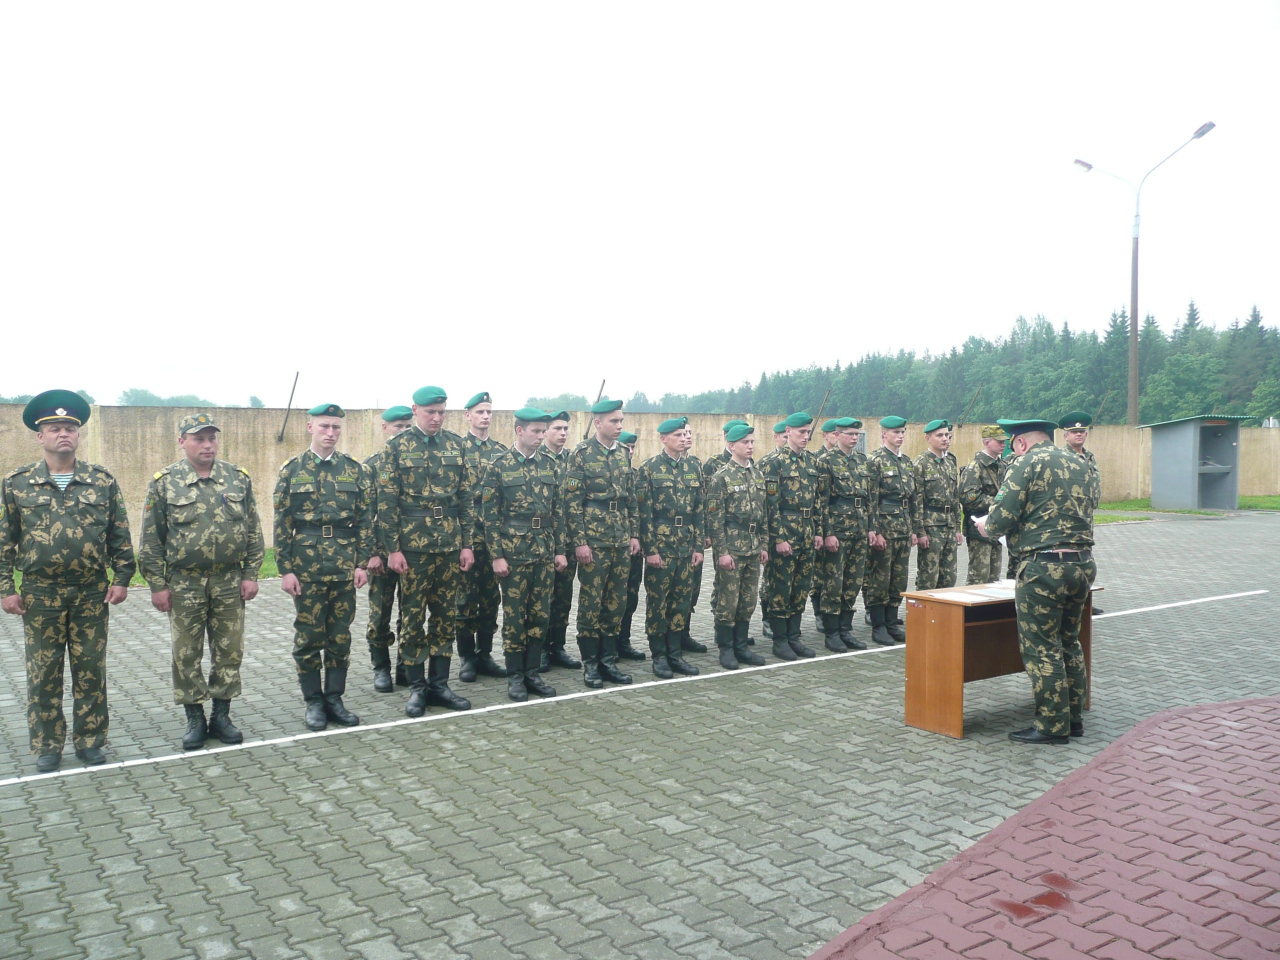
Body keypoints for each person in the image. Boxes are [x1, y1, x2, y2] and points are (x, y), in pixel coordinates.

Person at [1, 391, 135, 772]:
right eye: (55, 428)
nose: (63, 434)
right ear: (39, 436)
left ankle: (90, 740)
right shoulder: (17, 484)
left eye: (70, 428)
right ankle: (47, 744)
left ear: (78, 435)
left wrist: (122, 577)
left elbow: (119, 533)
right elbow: (4, 540)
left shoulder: (101, 481)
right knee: (43, 673)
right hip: (40, 594)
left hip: (91, 592)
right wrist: (6, 589)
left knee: (90, 669)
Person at [141, 413, 264, 749]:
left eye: (212, 438)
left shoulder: (237, 478)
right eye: (199, 439)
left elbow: (253, 530)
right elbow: (151, 539)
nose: (207, 445)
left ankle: (222, 715)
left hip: (229, 580)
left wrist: (251, 574)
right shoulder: (165, 482)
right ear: (182, 442)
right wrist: (157, 585)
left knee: (230, 650)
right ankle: (195, 717)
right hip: (184, 583)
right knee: (186, 653)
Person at [979, 418, 1100, 745]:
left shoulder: (1025, 463)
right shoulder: (1080, 462)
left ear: (1020, 442)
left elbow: (1000, 519)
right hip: (1082, 564)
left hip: (1043, 568)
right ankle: (1074, 719)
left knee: (1042, 647)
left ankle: (1051, 725)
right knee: (1069, 641)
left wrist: (985, 526)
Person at [376, 386, 477, 716]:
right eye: (430, 412)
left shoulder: (457, 445)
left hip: (448, 546)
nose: (436, 418)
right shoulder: (396, 447)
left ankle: (439, 685)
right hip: (413, 549)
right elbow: (387, 503)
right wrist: (393, 549)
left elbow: (466, 499)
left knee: (445, 617)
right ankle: (417, 688)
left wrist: (466, 544)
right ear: (415, 410)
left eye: (441, 412)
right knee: (413, 618)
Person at [274, 403, 374, 731]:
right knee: (308, 636)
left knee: (340, 635)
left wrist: (361, 563)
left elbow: (364, 520)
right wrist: (286, 569)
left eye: (336, 427)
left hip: (344, 564)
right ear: (310, 428)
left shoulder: (354, 470)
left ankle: (334, 698)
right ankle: (313, 701)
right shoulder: (292, 470)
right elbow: (282, 522)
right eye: (324, 426)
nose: (331, 433)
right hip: (307, 566)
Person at [482, 409, 566, 701]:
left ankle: (532, 674)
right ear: (519, 431)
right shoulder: (498, 466)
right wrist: (497, 555)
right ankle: (515, 676)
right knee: (515, 617)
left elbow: (558, 512)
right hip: (514, 553)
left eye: (543, 431)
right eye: (536, 431)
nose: (541, 437)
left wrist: (559, 550)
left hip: (543, 552)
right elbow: (490, 516)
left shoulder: (550, 465)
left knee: (540, 616)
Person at [563, 398, 642, 688]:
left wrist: (634, 534)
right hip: (594, 540)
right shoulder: (581, 454)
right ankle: (590, 664)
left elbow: (630, 498)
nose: (619, 426)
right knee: (591, 602)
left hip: (620, 539)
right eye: (614, 421)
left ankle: (608, 661)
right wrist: (580, 542)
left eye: (621, 421)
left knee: (616, 602)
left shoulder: (622, 453)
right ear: (598, 423)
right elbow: (572, 503)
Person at [636, 417, 705, 678]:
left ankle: (675, 654)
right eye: (677, 435)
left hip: (686, 545)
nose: (683, 438)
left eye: (684, 434)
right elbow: (644, 513)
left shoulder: (693, 467)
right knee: (658, 602)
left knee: (681, 602)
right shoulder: (649, 468)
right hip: (662, 546)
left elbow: (699, 510)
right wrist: (650, 549)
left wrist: (698, 546)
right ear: (663, 439)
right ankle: (659, 656)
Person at [705, 424, 769, 669]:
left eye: (752, 441)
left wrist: (764, 545)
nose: (750, 446)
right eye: (745, 442)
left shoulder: (757, 474)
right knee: (728, 600)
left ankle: (741, 646)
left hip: (753, 547)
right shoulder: (721, 477)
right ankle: (726, 648)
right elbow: (715, 519)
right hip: (732, 547)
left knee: (748, 600)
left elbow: (763, 514)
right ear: (732, 446)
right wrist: (722, 552)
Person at [761, 412, 824, 661]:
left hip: (806, 532)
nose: (806, 436)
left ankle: (794, 636)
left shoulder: (811, 461)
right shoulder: (774, 462)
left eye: (808, 432)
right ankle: (779, 640)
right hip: (786, 531)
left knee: (801, 587)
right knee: (781, 587)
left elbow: (817, 500)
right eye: (801, 432)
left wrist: (818, 532)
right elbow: (770, 505)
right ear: (788, 432)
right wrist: (778, 538)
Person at [456, 391, 508, 684]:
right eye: (480, 412)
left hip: (493, 536)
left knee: (490, 598)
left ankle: (485, 654)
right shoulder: (456, 449)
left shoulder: (500, 451)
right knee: (465, 599)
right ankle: (466, 658)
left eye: (489, 412)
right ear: (468, 416)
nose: (485, 416)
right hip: (466, 535)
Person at [363, 406, 414, 692]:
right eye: (398, 427)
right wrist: (371, 552)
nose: (403, 432)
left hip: (414, 550)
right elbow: (365, 513)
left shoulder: (418, 463)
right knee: (380, 611)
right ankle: (381, 668)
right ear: (385, 429)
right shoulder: (372, 465)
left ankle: (406, 666)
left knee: (411, 611)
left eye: (408, 427)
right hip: (382, 554)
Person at [815, 417, 871, 652]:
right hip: (838, 529)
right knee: (833, 582)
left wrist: (871, 528)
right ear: (837, 435)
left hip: (859, 529)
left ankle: (845, 629)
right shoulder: (825, 461)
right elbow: (822, 501)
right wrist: (827, 533)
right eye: (850, 434)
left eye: (857, 434)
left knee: (853, 582)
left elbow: (869, 498)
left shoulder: (862, 460)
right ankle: (831, 633)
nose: (854, 438)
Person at [865, 415, 918, 646]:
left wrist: (914, 528)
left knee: (899, 578)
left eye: (902, 432)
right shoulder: (875, 460)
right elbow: (871, 499)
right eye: (896, 432)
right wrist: (875, 531)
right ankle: (878, 626)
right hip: (885, 529)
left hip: (903, 528)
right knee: (880, 578)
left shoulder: (906, 461)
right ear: (883, 434)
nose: (900, 436)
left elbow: (913, 498)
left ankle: (891, 622)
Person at [538, 410, 582, 672]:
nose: (563, 433)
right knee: (544, 597)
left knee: (564, 597)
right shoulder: (537, 459)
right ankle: (541, 649)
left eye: (566, 428)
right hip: (544, 541)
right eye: (557, 428)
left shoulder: (573, 460)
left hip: (569, 540)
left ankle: (558, 646)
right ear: (545, 432)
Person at [1059, 411, 1103, 613]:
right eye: (1074, 432)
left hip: (1087, 517)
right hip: (1069, 518)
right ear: (1065, 436)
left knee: (1086, 560)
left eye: (1082, 431)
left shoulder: (1089, 457)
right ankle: (1067, 602)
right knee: (1069, 560)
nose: (1079, 434)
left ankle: (1084, 602)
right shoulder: (1061, 458)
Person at [913, 419, 964, 591]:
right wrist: (920, 532)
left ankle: (945, 609)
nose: (945, 439)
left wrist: (957, 528)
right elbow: (917, 501)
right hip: (931, 526)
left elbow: (955, 498)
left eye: (947, 435)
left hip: (949, 525)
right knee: (929, 576)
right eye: (939, 435)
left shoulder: (950, 462)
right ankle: (924, 608)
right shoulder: (921, 463)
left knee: (949, 576)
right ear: (928, 438)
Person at [675, 424, 709, 655]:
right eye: (682, 433)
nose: (686, 437)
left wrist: (703, 535)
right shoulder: (656, 466)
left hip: (691, 538)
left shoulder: (695, 464)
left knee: (692, 589)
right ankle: (671, 639)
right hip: (670, 541)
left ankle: (684, 633)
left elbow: (701, 503)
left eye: (689, 433)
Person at [959, 425, 1008, 585]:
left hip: (996, 528)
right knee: (979, 577)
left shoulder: (1002, 466)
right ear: (987, 442)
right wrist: (998, 502)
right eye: (999, 441)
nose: (1003, 444)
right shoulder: (975, 468)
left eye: (1004, 441)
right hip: (978, 530)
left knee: (994, 579)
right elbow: (969, 499)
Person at [615, 431, 648, 662]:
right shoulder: (610, 475)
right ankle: (606, 645)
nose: (630, 451)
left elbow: (642, 511)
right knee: (611, 596)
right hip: (612, 543)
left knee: (631, 595)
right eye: (626, 446)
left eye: (633, 447)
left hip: (633, 546)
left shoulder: (636, 475)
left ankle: (623, 641)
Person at [758, 420, 789, 641]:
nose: (787, 440)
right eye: (784, 437)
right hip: (773, 530)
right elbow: (766, 502)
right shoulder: (768, 463)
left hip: (797, 530)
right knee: (771, 578)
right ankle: (767, 618)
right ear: (776, 437)